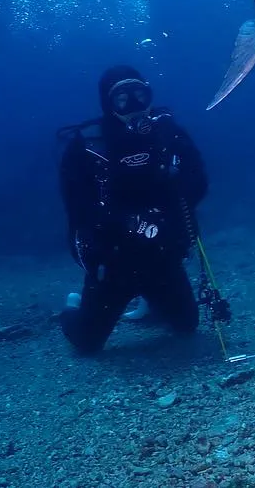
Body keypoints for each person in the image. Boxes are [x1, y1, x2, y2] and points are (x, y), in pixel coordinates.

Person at [56, 65, 226, 354]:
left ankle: (151, 301)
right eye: (122, 98)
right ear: (108, 103)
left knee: (187, 326)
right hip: (114, 264)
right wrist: (128, 223)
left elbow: (198, 181)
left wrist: (171, 203)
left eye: (140, 94)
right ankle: (72, 307)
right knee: (87, 343)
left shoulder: (168, 134)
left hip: (162, 258)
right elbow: (78, 208)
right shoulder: (87, 146)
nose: (134, 106)